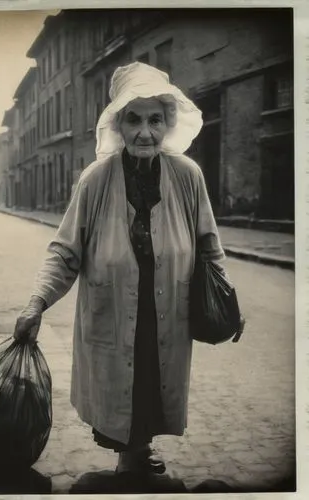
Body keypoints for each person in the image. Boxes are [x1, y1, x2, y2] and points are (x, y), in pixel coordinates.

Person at [14, 62, 227, 475]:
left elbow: (209, 245)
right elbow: (64, 251)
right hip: (113, 316)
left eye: (155, 119)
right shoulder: (95, 180)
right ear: (118, 123)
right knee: (123, 403)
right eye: (134, 119)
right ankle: (131, 470)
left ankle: (136, 460)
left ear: (167, 123)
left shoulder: (187, 176)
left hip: (167, 318)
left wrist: (226, 302)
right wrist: (36, 303)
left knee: (151, 391)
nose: (145, 132)